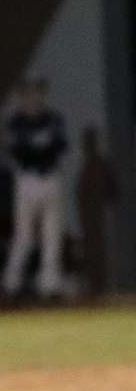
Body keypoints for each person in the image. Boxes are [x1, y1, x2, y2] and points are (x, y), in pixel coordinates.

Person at [0, 77, 69, 300]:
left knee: (52, 234)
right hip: (27, 180)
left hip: (51, 178)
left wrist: (39, 149)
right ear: (22, 96)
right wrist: (40, 148)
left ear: (43, 94)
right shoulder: (16, 122)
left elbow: (60, 146)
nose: (34, 97)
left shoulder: (54, 118)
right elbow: (17, 151)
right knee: (24, 235)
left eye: (38, 92)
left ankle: (49, 285)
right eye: (29, 92)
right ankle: (10, 283)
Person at [77, 127, 118, 300]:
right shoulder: (86, 167)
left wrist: (107, 205)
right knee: (91, 250)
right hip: (89, 218)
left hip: (100, 216)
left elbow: (113, 189)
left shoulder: (100, 164)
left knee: (102, 250)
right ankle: (94, 286)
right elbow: (80, 195)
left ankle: (103, 286)